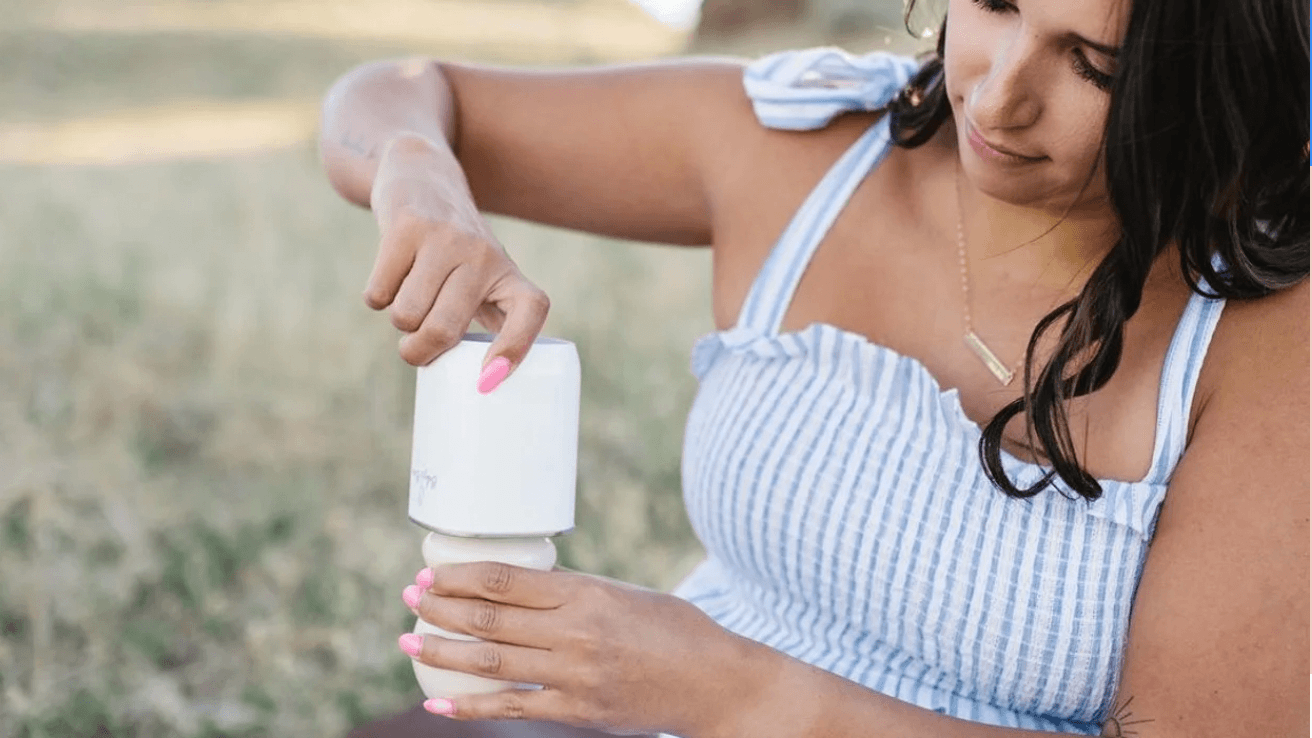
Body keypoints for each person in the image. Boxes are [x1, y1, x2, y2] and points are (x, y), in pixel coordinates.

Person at [317, 0, 1310, 734]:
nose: (999, 97)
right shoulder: (811, 149)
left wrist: (731, 688)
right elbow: (398, 95)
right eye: (996, 6)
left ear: (1213, 80)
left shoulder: (1264, 333)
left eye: (1090, 63)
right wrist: (419, 182)